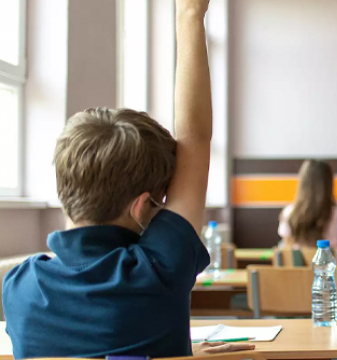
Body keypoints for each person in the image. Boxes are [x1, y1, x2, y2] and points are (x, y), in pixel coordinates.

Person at [2, 0, 252, 357]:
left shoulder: (20, 287)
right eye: (159, 203)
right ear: (139, 206)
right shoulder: (158, 270)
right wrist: (189, 15)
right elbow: (195, 139)